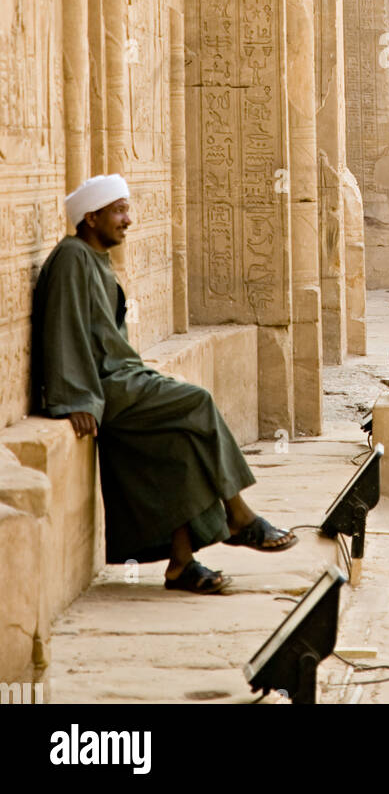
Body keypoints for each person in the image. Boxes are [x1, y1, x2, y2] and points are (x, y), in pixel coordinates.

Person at [31, 174, 296, 595]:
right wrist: (74, 397)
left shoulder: (95, 259)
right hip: (104, 388)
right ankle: (239, 516)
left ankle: (181, 565)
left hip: (123, 379)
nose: (128, 220)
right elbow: (63, 330)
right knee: (196, 401)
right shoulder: (71, 257)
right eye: (118, 211)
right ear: (91, 216)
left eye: (127, 209)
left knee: (181, 446)